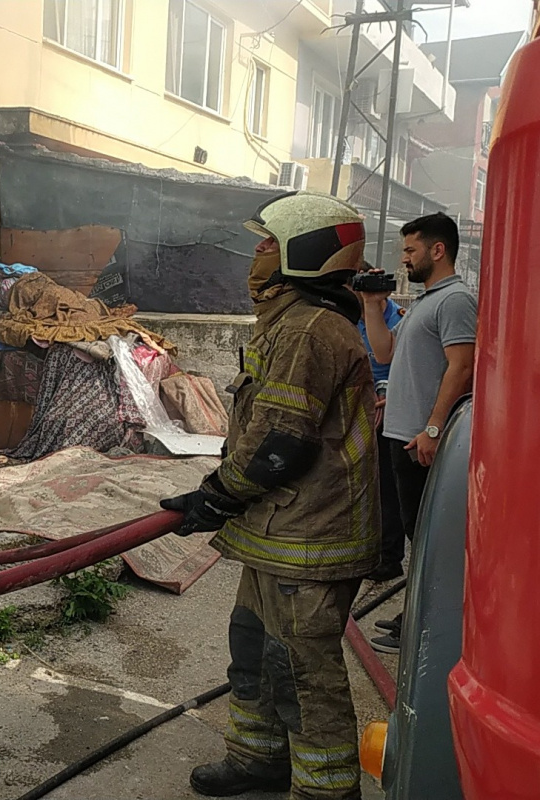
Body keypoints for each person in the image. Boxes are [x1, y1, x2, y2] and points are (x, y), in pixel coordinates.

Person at [161, 191, 378, 800]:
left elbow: (281, 441)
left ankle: (326, 790)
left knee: (301, 672)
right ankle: (258, 759)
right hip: (277, 531)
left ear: (303, 253)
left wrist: (217, 495)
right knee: (254, 648)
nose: (255, 254)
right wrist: (219, 496)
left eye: (268, 242)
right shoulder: (290, 322)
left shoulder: (310, 330)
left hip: (310, 537)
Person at [358, 212, 476, 654]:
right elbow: (384, 352)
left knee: (431, 539)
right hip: (402, 434)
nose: (404, 258)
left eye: (411, 250)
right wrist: (372, 303)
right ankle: (417, 617)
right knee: (416, 535)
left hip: (421, 440)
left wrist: (433, 427)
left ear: (437, 250)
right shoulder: (427, 302)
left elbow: (461, 367)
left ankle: (428, 629)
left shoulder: (455, 300)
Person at [354, 263, 407, 583]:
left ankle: (389, 556)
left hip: (386, 410)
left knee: (387, 486)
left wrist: (386, 393)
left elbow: (403, 363)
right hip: (358, 405)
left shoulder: (398, 319)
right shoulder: (349, 318)